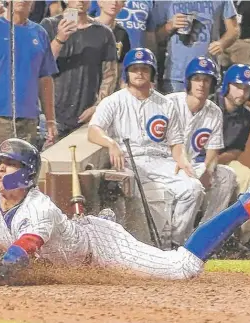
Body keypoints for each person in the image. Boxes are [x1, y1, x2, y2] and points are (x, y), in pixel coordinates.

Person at [0, 137, 250, 281]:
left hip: (100, 246)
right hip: (75, 253)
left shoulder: (38, 207)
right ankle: (99, 220)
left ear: (26, 172)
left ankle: (248, 203)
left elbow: (23, 249)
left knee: (181, 269)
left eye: (9, 164)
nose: (0, 170)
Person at [87, 48, 204, 246]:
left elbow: (175, 142)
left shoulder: (165, 104)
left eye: (144, 69)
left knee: (194, 189)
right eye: (135, 69)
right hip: (130, 162)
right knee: (144, 202)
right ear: (127, 72)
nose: (139, 73)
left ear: (152, 73)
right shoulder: (114, 101)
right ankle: (150, 247)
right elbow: (93, 130)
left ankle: (176, 243)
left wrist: (182, 160)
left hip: (161, 161)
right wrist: (111, 143)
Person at [166, 56, 237, 236]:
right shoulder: (169, 103)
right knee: (192, 186)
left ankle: (206, 234)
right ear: (188, 81)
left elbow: (213, 151)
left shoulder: (214, 112)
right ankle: (177, 240)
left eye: (207, 80)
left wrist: (208, 170)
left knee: (227, 176)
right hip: (164, 164)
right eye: (197, 79)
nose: (201, 84)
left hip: (189, 166)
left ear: (213, 85)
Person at [0, 0, 59, 152]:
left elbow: (45, 79)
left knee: (25, 172)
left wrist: (51, 119)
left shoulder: (40, 33)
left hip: (30, 121)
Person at [40, 0, 118, 140]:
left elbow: (110, 75)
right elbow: (40, 66)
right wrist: (60, 39)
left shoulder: (104, 33)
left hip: (86, 117)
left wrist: (98, 106)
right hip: (52, 116)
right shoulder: (49, 25)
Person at [217, 64, 250, 252]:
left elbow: (236, 150)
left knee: (248, 176)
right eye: (238, 86)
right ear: (227, 85)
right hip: (197, 159)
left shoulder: (247, 115)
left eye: (247, 89)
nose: (242, 92)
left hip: (223, 159)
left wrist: (216, 162)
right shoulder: (211, 105)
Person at [151, 0, 240, 94]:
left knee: (206, 108)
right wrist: (169, 26)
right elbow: (153, 37)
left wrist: (222, 43)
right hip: (175, 75)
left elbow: (234, 29)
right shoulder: (163, 2)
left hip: (207, 72)